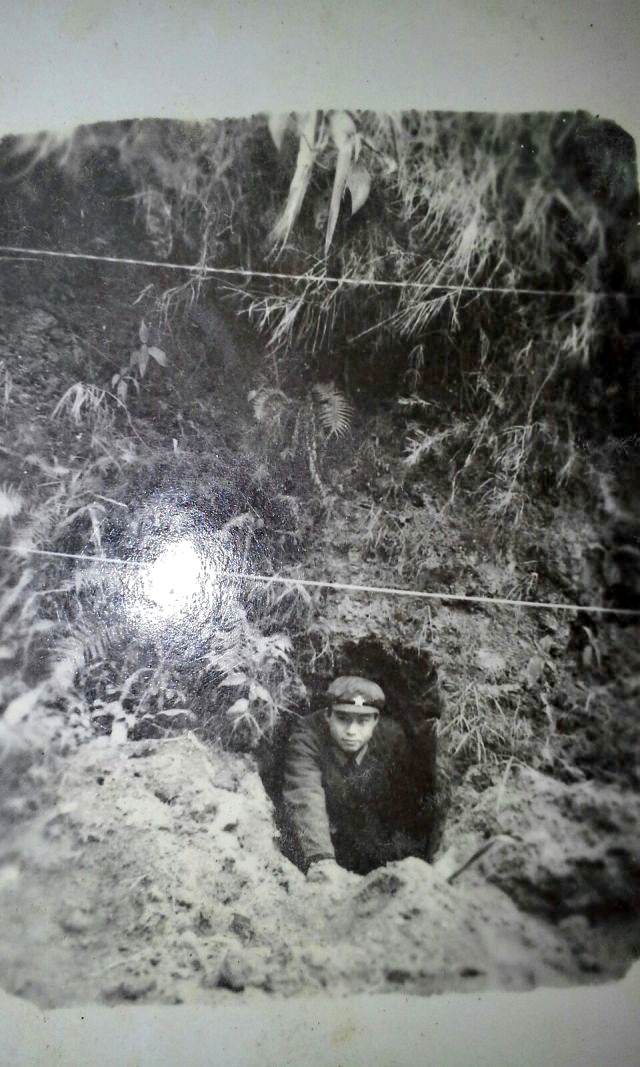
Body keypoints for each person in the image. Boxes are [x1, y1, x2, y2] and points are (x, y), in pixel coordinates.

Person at [281, 675, 440, 883]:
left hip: (370, 836)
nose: (351, 731)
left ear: (376, 721)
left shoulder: (391, 738)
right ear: (328, 715)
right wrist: (321, 859)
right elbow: (304, 793)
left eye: (362, 721)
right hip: (324, 834)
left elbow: (408, 801)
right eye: (343, 719)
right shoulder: (308, 735)